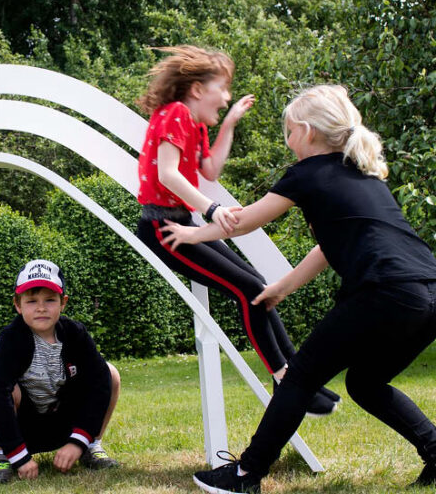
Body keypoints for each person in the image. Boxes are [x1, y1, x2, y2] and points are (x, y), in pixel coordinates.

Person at [159, 85, 436, 494]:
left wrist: (192, 234)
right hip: (427, 293)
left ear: (306, 133)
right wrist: (282, 287)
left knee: (300, 377)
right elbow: (327, 248)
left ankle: (244, 475)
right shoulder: (362, 176)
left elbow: (246, 221)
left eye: (288, 132)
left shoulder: (307, 173)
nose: (287, 142)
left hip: (384, 291)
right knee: (365, 383)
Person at [135, 45, 339, 416]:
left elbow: (210, 170)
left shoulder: (192, 123)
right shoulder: (175, 113)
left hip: (181, 222)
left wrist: (227, 124)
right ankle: (284, 378)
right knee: (248, 290)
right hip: (161, 227)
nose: (227, 96)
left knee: (259, 285)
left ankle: (300, 376)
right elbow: (167, 173)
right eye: (223, 88)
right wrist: (212, 209)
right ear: (197, 89)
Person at [0, 259, 121, 484]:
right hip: (21, 426)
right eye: (32, 300)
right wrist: (19, 454)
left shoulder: (75, 334)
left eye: (50, 300)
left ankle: (91, 446)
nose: (41, 307)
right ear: (18, 304)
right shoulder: (11, 338)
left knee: (109, 374)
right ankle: (2, 456)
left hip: (62, 421)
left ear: (63, 303)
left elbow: (100, 383)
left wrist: (78, 440)